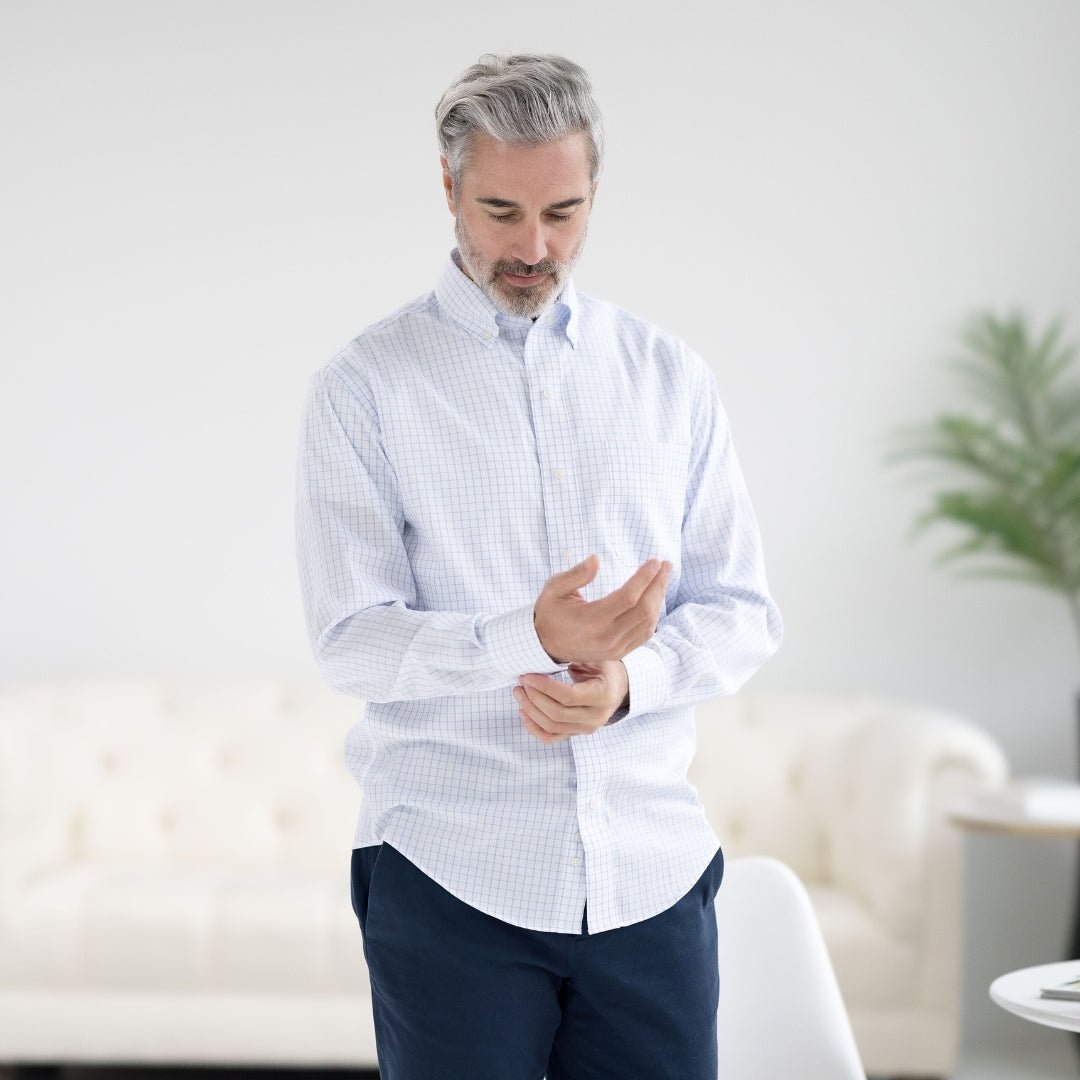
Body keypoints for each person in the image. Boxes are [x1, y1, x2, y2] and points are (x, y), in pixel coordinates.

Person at [295, 52, 782, 1080]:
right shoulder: (365, 389)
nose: (533, 245)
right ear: (448, 189)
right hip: (450, 876)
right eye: (501, 211)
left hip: (652, 873)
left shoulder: (669, 377)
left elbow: (740, 610)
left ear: (594, 192)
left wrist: (624, 687)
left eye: (562, 212)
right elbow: (350, 640)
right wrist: (529, 638)